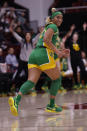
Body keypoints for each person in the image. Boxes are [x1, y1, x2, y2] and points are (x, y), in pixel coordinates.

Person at [8, 8, 70, 116]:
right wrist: (58, 52)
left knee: (31, 81)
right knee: (57, 79)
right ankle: (51, 105)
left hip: (34, 54)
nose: (60, 19)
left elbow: (44, 43)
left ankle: (16, 100)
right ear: (52, 19)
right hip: (43, 55)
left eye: (61, 18)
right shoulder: (53, 26)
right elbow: (46, 40)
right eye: (57, 17)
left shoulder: (47, 27)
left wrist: (60, 51)